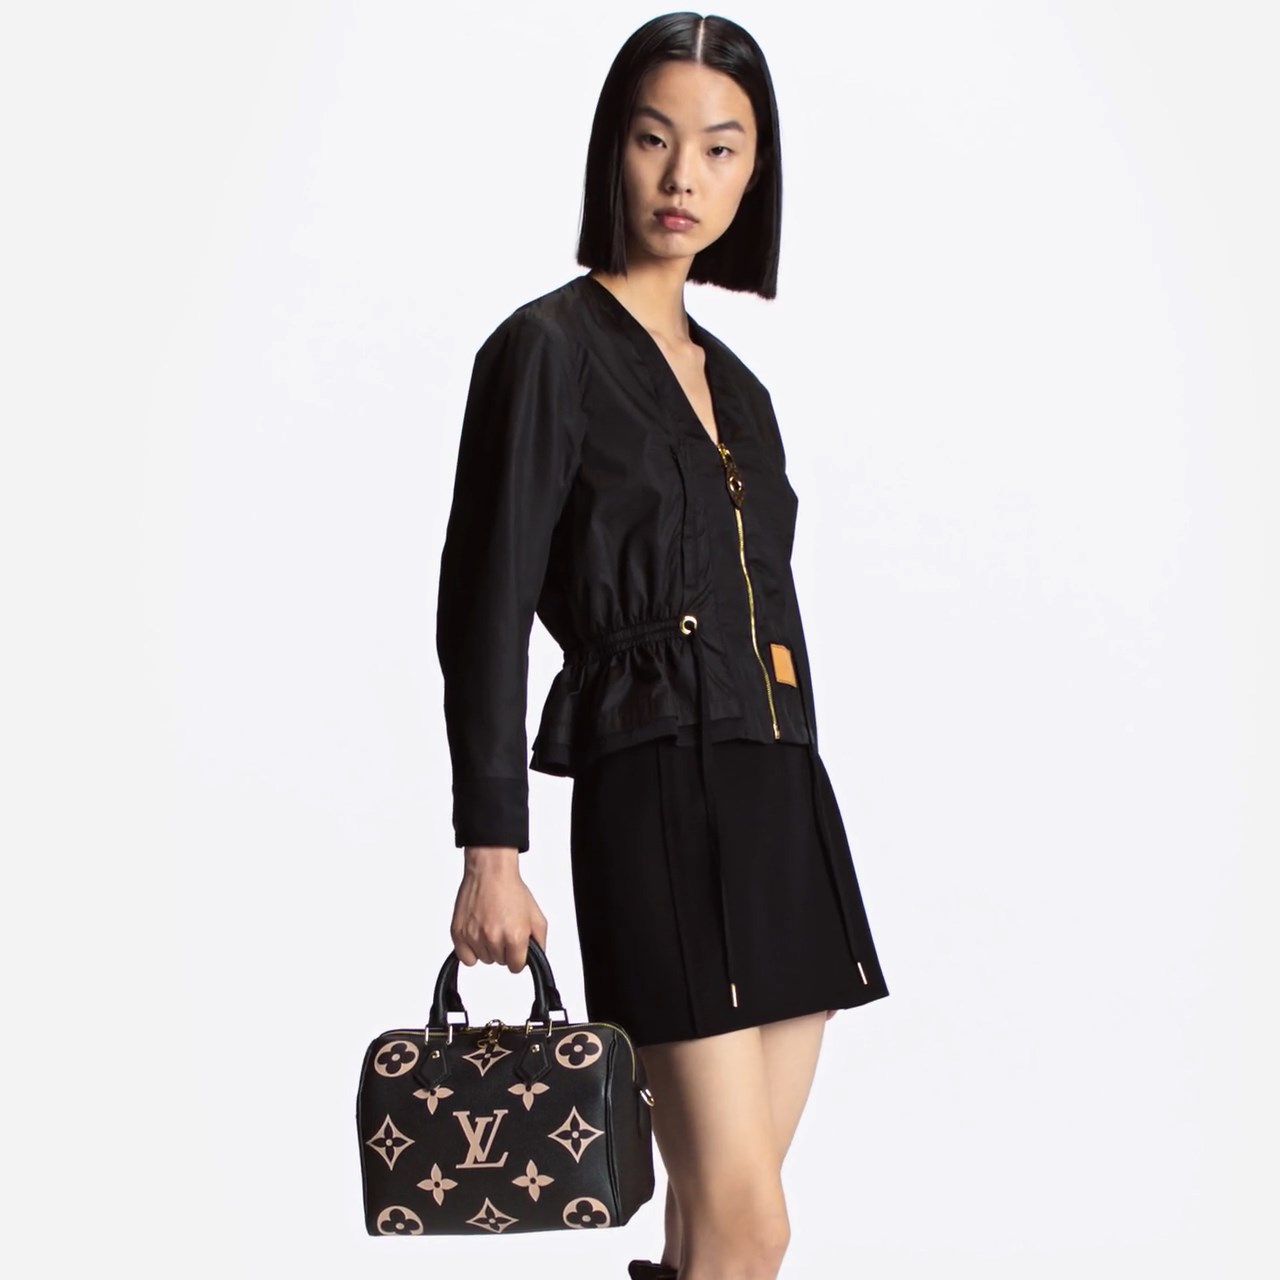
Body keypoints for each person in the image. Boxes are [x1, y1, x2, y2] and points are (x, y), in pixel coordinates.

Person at [436, 13, 890, 1279]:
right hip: (654, 796)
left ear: (753, 173)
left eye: (720, 148)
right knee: (749, 1227)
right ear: (612, 151)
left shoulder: (740, 389)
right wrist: (491, 850)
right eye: (653, 139)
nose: (683, 175)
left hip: (778, 795)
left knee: (713, 1231)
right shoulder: (544, 350)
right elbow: (481, 607)